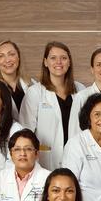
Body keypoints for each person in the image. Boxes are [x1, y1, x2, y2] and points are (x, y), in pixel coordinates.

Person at [20, 41, 85, 170]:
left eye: (64, 58)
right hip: (46, 160)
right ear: (45, 62)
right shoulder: (35, 93)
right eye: (53, 58)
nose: (59, 62)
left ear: (69, 62)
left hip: (77, 158)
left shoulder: (81, 90)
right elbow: (26, 131)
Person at [0, 40, 32, 120]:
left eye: (11, 54)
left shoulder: (32, 84)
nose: (7, 60)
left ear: (18, 57)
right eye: (1, 56)